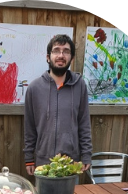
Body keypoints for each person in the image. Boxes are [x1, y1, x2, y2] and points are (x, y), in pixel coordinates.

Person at [23, 34, 92, 176]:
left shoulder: (79, 85)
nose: (61, 55)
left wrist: (86, 154)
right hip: (43, 161)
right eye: (56, 50)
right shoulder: (34, 88)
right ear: (48, 57)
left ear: (71, 59)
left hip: (71, 162)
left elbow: (84, 123)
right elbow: (29, 126)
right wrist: (29, 158)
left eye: (66, 51)